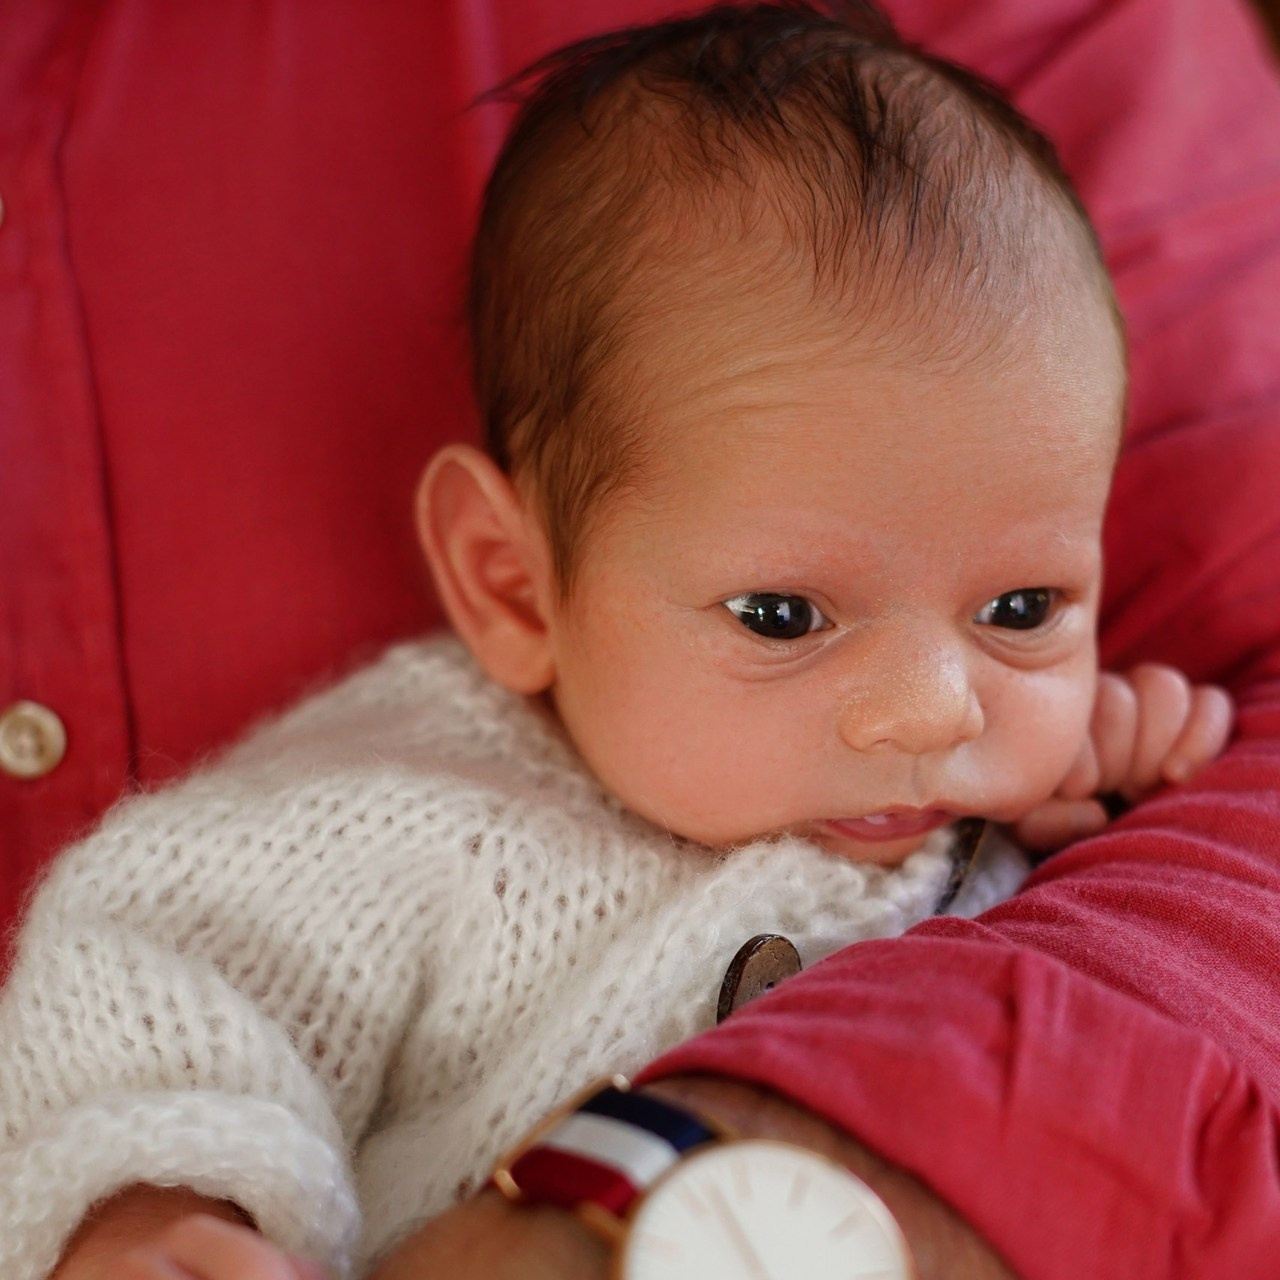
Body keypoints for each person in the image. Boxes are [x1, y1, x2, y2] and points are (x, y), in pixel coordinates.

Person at [0, 5, 1240, 1279]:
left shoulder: (1008, 804)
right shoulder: (424, 807)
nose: (932, 710)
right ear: (516, 587)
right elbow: (161, 971)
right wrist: (149, 1203)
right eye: (782, 616)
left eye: (1020, 607)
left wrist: (1122, 781)